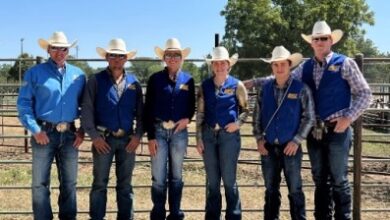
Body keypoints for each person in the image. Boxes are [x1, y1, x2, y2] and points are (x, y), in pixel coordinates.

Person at [246, 21, 372, 220]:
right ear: (311, 43)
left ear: (331, 41)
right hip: (314, 131)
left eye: (324, 38)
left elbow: (365, 94)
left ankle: (343, 217)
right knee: (320, 179)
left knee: (339, 179)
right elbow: (280, 78)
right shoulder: (305, 68)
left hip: (338, 129)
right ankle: (322, 217)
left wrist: (348, 118)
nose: (320, 42)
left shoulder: (345, 63)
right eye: (316, 39)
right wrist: (252, 83)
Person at [17, 31, 85, 220]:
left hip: (70, 134)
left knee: (70, 183)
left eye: (63, 48)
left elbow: (86, 106)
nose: (59, 52)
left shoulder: (78, 76)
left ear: (68, 51)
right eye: (55, 48)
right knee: (40, 183)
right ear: (48, 49)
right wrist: (35, 129)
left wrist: (82, 130)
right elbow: (23, 104)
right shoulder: (35, 73)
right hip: (44, 132)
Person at [81, 38, 143, 220]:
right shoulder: (95, 80)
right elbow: (86, 110)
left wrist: (138, 136)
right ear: (106, 57)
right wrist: (94, 137)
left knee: (125, 184)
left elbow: (141, 113)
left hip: (127, 140)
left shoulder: (134, 83)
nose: (117, 59)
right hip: (103, 139)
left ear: (126, 59)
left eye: (121, 56)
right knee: (100, 183)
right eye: (113, 55)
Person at [252, 46, 315, 220]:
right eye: (276, 65)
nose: (279, 68)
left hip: (291, 147)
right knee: (271, 189)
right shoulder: (264, 89)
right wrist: (259, 139)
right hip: (269, 147)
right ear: (272, 67)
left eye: (283, 65)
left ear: (289, 65)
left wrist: (296, 140)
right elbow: (256, 117)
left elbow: (309, 117)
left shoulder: (301, 89)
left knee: (295, 188)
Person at [144, 38, 196, 220]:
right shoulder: (155, 79)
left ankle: (175, 212)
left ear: (182, 58)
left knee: (177, 175)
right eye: (169, 55)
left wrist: (187, 119)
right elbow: (148, 108)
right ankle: (158, 211)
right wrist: (150, 136)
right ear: (164, 58)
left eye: (176, 55)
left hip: (179, 132)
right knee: (158, 175)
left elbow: (192, 106)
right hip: (158, 130)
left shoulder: (188, 80)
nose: (173, 58)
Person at [196, 46, 249, 220]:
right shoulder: (205, 86)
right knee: (212, 182)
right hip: (209, 135)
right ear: (212, 66)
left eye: (222, 63)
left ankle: (233, 215)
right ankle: (212, 216)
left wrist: (237, 124)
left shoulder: (237, 85)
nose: (219, 66)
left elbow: (246, 110)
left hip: (229, 136)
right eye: (216, 63)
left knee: (229, 180)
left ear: (228, 65)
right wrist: (198, 138)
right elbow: (201, 113)